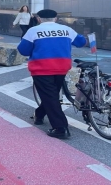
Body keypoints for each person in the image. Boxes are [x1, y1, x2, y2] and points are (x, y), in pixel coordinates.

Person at [17, 9, 87, 139]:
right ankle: (39, 115)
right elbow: (81, 42)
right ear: (55, 18)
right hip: (62, 67)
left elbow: (23, 50)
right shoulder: (66, 29)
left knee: (50, 96)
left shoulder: (33, 31)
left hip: (41, 68)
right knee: (51, 94)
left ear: (38, 19)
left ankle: (60, 128)